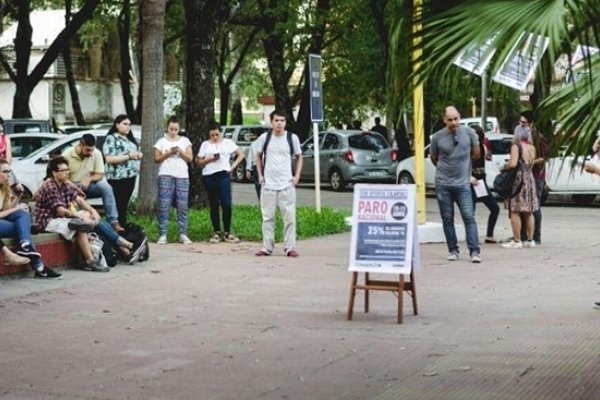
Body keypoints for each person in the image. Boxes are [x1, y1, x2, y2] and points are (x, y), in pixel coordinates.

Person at [34, 157, 145, 272]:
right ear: (54, 173)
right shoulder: (50, 186)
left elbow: (79, 200)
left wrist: (93, 211)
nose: (67, 173)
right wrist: (78, 216)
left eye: (67, 170)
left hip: (61, 219)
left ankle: (126, 249)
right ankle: (115, 252)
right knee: (82, 224)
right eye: (63, 171)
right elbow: (61, 211)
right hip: (49, 221)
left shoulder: (64, 184)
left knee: (89, 218)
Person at [430, 106, 482, 263]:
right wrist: (446, 169)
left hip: (463, 184)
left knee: (468, 216)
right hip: (443, 184)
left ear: (459, 117)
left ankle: (474, 251)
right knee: (447, 218)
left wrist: (464, 169)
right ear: (444, 120)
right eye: (450, 120)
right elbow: (434, 158)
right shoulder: (438, 137)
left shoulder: (469, 133)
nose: (454, 122)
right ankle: (453, 250)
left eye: (456, 119)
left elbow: (476, 154)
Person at [0, 160, 62, 278]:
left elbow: (5, 209)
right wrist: (15, 209)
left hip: (3, 221)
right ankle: (39, 267)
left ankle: (25, 244)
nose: (8, 175)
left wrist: (18, 197)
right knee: (22, 227)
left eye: (9, 171)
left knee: (23, 213)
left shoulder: (4, 187)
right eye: (5, 172)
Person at [254, 109, 303, 257]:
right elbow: (258, 155)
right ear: (271, 122)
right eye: (276, 120)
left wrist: (297, 176)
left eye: (282, 121)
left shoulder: (292, 138)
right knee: (267, 217)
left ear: (285, 122)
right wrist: (260, 175)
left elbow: (299, 156)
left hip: (286, 184)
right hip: (268, 184)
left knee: (289, 217)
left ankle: (290, 247)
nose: (279, 123)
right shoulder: (265, 138)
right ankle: (267, 247)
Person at [62, 133, 123, 232]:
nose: (90, 153)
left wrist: (89, 179)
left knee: (106, 187)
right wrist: (76, 188)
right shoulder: (67, 154)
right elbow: (63, 179)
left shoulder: (96, 153)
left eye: (92, 149)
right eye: (87, 150)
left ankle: (113, 221)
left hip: (88, 185)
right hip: (71, 186)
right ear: (80, 145)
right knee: (76, 204)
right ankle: (81, 224)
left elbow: (100, 174)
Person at [196, 122, 245, 244]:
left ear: (221, 133)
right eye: (212, 135)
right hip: (209, 175)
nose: (214, 137)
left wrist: (232, 167)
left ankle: (227, 231)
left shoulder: (227, 143)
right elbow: (198, 162)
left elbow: (241, 154)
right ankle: (216, 231)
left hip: (223, 174)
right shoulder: (205, 145)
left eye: (217, 134)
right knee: (214, 203)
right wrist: (210, 158)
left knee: (226, 203)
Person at [154, 116, 193, 245]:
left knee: (182, 206)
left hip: (182, 175)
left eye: (176, 129)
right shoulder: (161, 141)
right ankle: (163, 234)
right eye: (171, 129)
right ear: (167, 128)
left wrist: (180, 151)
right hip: (166, 174)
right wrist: (168, 153)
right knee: (164, 205)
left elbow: (190, 158)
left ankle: (183, 233)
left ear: (179, 129)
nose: (173, 132)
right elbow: (156, 159)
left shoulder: (185, 141)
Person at [102, 115, 143, 227]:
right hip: (116, 177)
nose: (127, 127)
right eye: (125, 124)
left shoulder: (130, 139)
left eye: (129, 124)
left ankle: (123, 228)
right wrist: (128, 156)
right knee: (117, 204)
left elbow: (134, 153)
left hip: (130, 175)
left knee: (124, 204)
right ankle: (114, 228)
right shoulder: (112, 138)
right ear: (117, 124)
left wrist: (138, 155)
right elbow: (109, 159)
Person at [502, 125, 539, 249]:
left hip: (518, 180)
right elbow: (532, 163)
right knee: (529, 211)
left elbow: (512, 164)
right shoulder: (532, 147)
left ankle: (517, 240)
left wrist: (504, 167)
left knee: (514, 210)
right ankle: (530, 240)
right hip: (529, 178)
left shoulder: (516, 146)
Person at [519, 110, 548, 245]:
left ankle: (536, 236)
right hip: (524, 175)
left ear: (531, 123)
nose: (521, 125)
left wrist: (530, 163)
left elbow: (544, 158)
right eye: (520, 122)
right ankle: (523, 235)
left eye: (524, 123)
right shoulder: (521, 138)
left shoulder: (538, 137)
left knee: (534, 206)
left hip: (536, 176)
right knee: (524, 206)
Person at [469, 125, 499, 243]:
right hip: (471, 181)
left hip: (481, 181)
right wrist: (469, 177)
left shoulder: (483, 147)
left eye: (474, 134)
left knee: (494, 208)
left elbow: (486, 160)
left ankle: (489, 235)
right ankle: (472, 237)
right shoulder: (466, 148)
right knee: (471, 211)